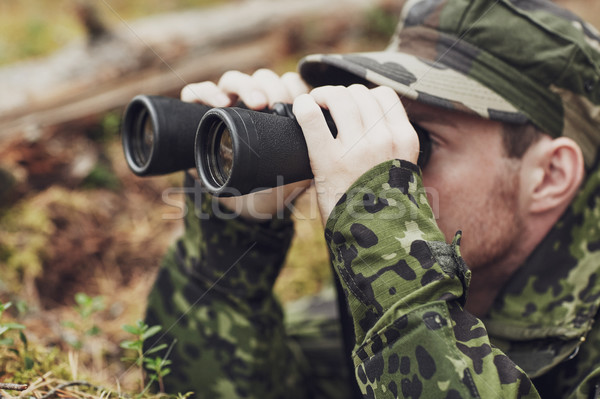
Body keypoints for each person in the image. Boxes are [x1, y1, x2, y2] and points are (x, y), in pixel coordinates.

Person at [143, 0, 600, 397]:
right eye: (383, 127)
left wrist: (389, 257)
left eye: (419, 141)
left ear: (549, 177)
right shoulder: (392, 303)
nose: (382, 160)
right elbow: (188, 380)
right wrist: (232, 237)